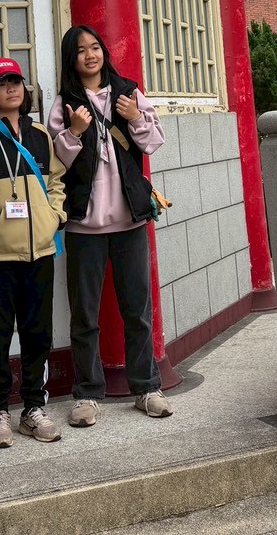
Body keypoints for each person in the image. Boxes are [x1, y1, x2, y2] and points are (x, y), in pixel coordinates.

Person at [47, 25, 171, 426]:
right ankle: (87, 393)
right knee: (85, 315)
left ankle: (146, 387)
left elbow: (153, 141)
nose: (90, 55)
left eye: (95, 47)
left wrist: (134, 118)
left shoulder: (128, 92)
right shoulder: (64, 103)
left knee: (137, 309)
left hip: (130, 220)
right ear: (71, 59)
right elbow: (57, 160)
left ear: (104, 52)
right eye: (80, 50)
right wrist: (75, 132)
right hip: (84, 225)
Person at [0, 57, 66, 447]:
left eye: (16, 81)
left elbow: (57, 181)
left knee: (37, 333)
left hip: (40, 250)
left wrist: (55, 216)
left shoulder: (40, 134)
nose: (11, 88)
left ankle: (33, 408)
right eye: (1, 83)